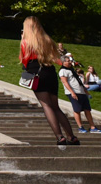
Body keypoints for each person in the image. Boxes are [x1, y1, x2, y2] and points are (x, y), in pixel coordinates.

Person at [20, 16, 78, 145]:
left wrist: (22, 40)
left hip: (37, 73)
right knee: (56, 107)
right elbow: (55, 59)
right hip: (50, 72)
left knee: (46, 105)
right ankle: (72, 137)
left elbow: (24, 60)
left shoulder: (26, 42)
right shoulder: (47, 40)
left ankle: (59, 137)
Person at [59, 55, 101, 134]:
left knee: (87, 109)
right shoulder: (63, 71)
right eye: (68, 61)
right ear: (63, 62)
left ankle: (92, 127)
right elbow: (65, 82)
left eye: (70, 60)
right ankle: (80, 127)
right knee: (77, 110)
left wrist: (86, 91)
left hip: (81, 92)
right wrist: (72, 92)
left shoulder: (71, 70)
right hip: (74, 93)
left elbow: (78, 81)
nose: (70, 62)